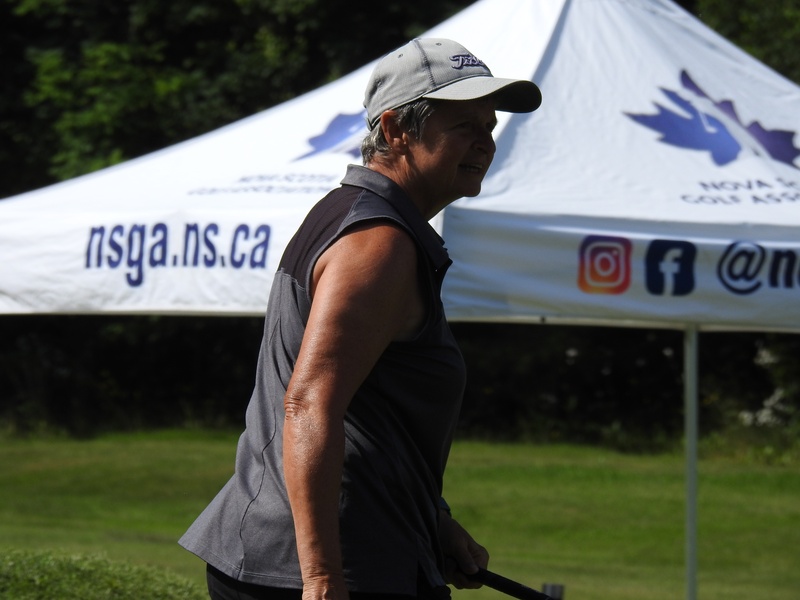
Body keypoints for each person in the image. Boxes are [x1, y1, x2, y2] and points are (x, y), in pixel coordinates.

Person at [179, 37, 542, 600]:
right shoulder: (379, 243)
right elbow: (309, 405)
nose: (486, 143)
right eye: (464, 126)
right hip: (325, 569)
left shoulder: (350, 215)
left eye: (489, 126)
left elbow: (369, 419)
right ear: (396, 131)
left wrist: (433, 523)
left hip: (321, 555)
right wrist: (323, 578)